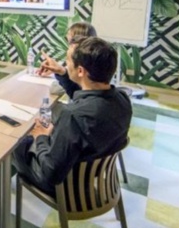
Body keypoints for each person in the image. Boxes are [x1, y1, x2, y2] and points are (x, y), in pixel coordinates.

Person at [12, 37, 132, 196]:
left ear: (81, 71)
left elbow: (51, 173)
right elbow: (83, 96)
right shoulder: (122, 99)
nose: (65, 64)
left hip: (67, 186)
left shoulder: (73, 116)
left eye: (67, 61)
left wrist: (41, 138)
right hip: (90, 172)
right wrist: (62, 72)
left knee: (17, 143)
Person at [38, 21, 97, 96]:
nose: (68, 47)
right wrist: (60, 71)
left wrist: (62, 72)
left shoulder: (83, 69)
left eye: (70, 42)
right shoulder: (95, 61)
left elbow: (55, 89)